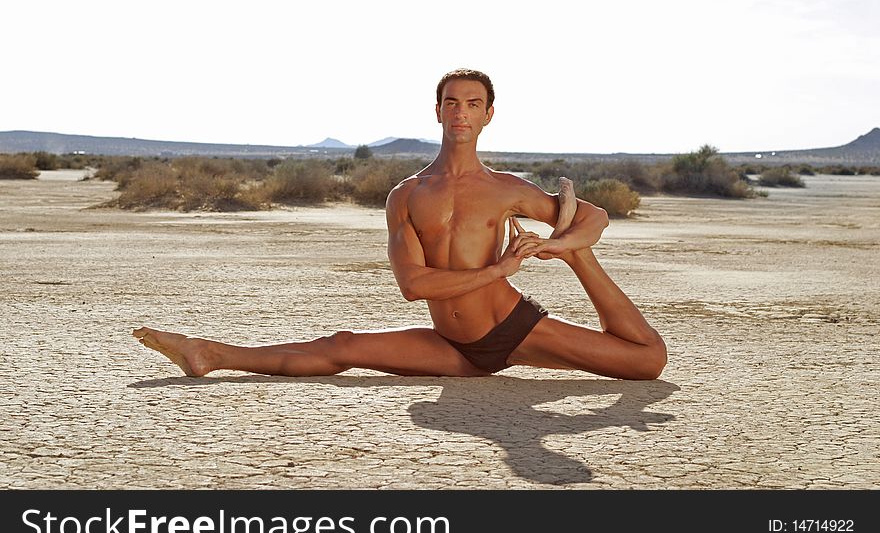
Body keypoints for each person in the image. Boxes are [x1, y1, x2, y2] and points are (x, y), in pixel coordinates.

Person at [134, 69, 666, 380]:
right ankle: (208, 353)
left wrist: (561, 245)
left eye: (473, 104)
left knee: (647, 362)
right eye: (452, 102)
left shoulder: (508, 189)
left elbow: (594, 215)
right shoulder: (407, 195)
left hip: (512, 330)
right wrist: (501, 266)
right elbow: (414, 286)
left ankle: (578, 261)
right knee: (342, 346)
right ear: (437, 111)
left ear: (488, 116)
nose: (461, 112)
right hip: (450, 343)